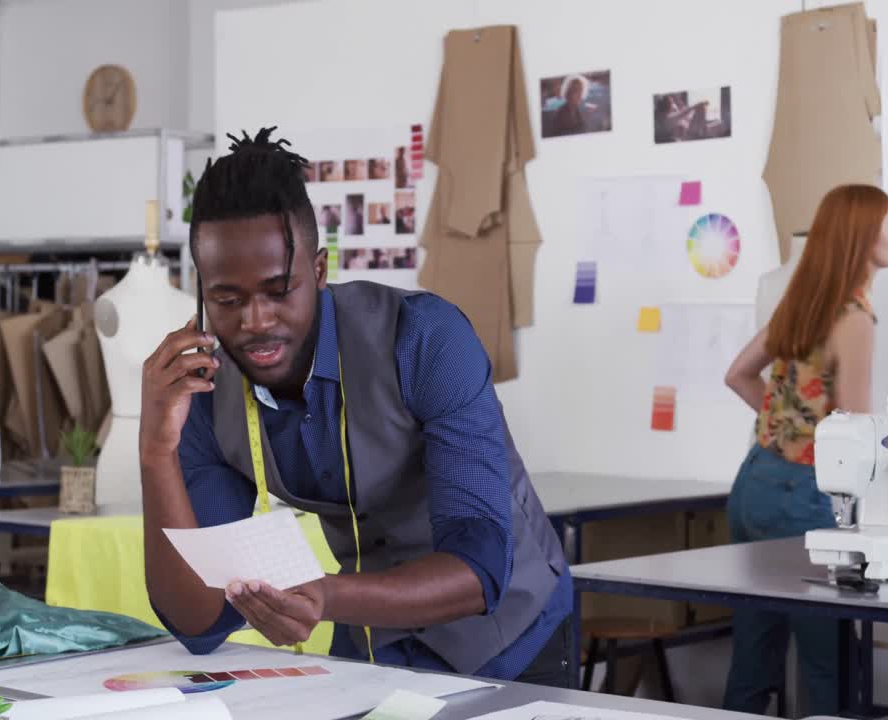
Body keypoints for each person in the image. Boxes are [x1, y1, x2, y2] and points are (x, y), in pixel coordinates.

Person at [139, 128, 573, 687]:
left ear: (319, 273)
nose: (254, 321)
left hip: (511, 635)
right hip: (369, 635)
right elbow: (200, 622)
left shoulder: (425, 341)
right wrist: (156, 452)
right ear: (201, 290)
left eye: (278, 291)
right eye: (228, 299)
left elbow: (480, 570)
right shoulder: (205, 392)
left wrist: (323, 595)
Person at [721, 185, 888, 715]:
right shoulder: (853, 318)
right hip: (803, 496)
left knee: (754, 655)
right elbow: (856, 434)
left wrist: (786, 429)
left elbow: (736, 375)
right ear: (863, 237)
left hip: (753, 483)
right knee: (828, 663)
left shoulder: (802, 302)